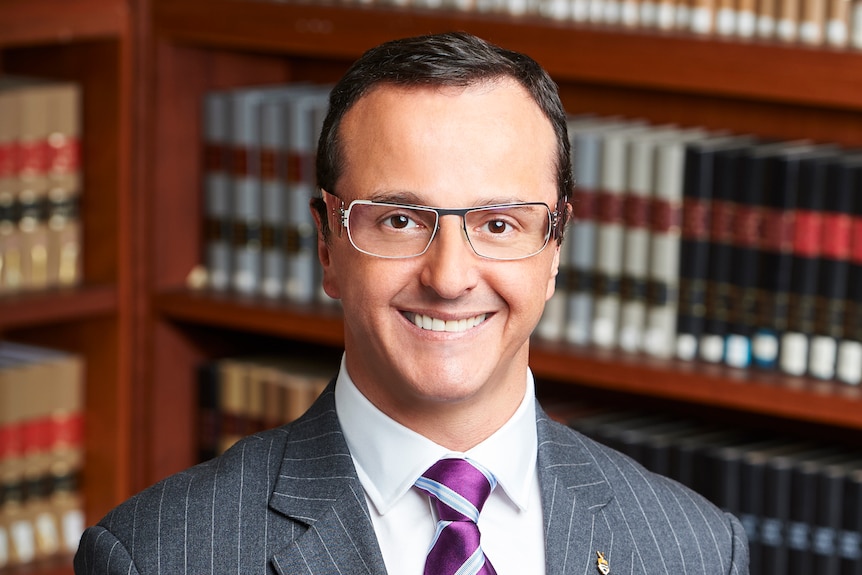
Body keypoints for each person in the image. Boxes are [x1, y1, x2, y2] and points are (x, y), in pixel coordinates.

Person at [74, 32, 749, 575]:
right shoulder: (159, 554)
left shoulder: (692, 548)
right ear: (327, 246)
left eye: (498, 224)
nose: (450, 276)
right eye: (398, 221)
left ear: (556, 247)